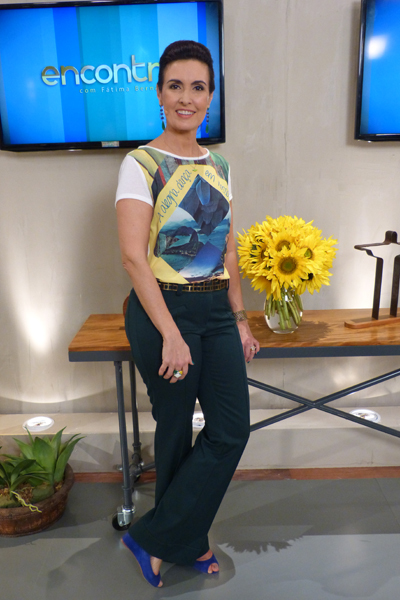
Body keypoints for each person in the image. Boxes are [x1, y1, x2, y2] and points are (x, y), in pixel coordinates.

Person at [115, 40, 259, 588]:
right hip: (163, 312)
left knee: (231, 429)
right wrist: (171, 334)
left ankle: (154, 537)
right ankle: (190, 541)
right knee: (175, 430)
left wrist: (240, 319)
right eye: (175, 86)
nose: (186, 97)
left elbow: (228, 250)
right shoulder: (140, 164)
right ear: (159, 93)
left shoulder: (219, 166)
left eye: (198, 87)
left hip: (216, 310)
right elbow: (134, 258)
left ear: (210, 97)